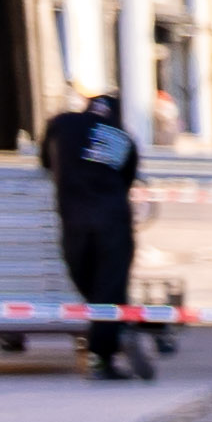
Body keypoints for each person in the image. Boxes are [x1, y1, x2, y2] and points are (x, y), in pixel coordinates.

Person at [37, 87, 144, 380]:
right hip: (113, 221)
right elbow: (126, 181)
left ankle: (113, 330)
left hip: (74, 222)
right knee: (109, 288)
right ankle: (104, 354)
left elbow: (45, 161)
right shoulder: (124, 138)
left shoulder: (61, 123)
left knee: (89, 284)